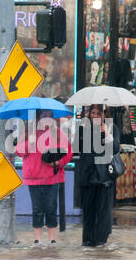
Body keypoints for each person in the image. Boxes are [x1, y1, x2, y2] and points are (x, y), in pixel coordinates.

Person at [16, 109, 73, 246]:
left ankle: (52, 239)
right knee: (37, 208)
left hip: (52, 177)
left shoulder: (58, 133)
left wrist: (58, 163)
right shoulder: (29, 132)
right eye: (44, 115)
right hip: (33, 177)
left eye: (49, 115)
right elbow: (19, 152)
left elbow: (68, 152)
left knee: (51, 207)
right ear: (38, 117)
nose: (47, 118)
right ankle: (38, 239)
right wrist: (30, 142)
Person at [74, 104, 121, 247]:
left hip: (104, 176)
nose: (95, 116)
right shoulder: (82, 128)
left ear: (105, 115)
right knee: (88, 211)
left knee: (102, 212)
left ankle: (101, 241)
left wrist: (106, 134)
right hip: (87, 176)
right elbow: (77, 148)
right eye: (92, 113)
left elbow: (115, 149)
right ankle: (87, 241)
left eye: (98, 113)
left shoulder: (112, 128)